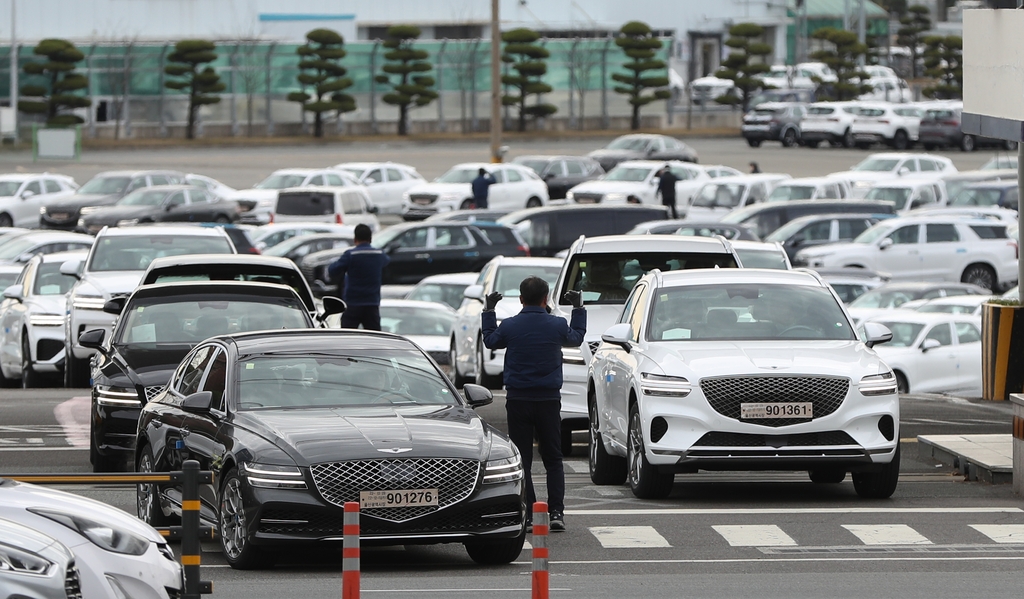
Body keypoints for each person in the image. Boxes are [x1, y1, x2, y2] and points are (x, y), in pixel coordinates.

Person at [481, 277, 586, 533]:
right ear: (546, 298)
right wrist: (578, 308)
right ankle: (556, 512)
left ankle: (528, 513)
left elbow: (490, 340)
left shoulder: (511, 325)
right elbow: (577, 337)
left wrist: (488, 310)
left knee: (523, 458)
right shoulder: (557, 324)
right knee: (553, 458)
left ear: (520, 299)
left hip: (518, 399)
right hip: (549, 399)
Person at [327, 223, 390, 331]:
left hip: (352, 304)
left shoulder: (350, 255)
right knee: (374, 338)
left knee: (347, 338)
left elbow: (332, 270)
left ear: (355, 239)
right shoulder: (380, 254)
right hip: (372, 304)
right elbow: (387, 264)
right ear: (370, 239)